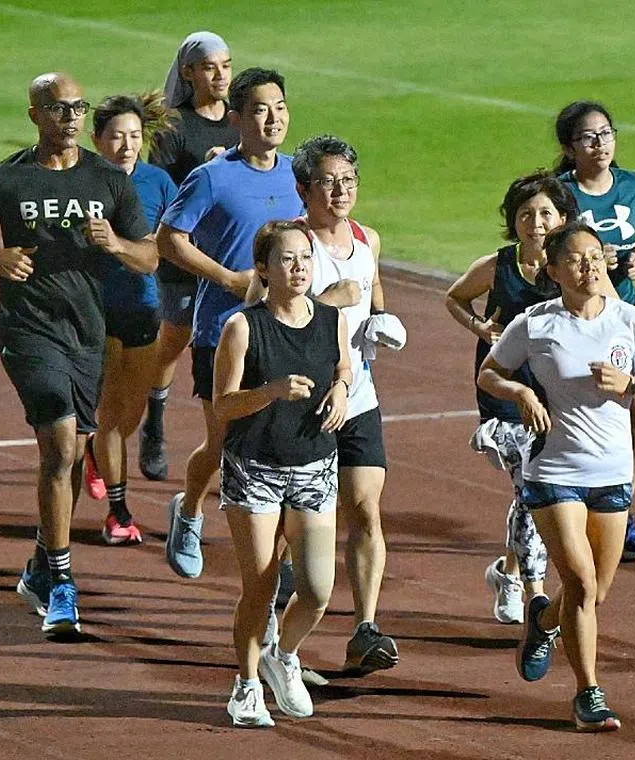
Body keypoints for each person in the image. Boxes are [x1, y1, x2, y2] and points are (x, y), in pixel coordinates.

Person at [0, 73, 157, 634]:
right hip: (26, 328)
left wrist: (115, 244)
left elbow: (150, 257)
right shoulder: (5, 178)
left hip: (87, 333)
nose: (71, 117)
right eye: (58, 108)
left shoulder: (108, 179)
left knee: (71, 450)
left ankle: (40, 562)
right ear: (34, 113)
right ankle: (62, 581)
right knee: (61, 443)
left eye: (78, 107)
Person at [478, 219, 635, 732]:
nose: (589, 266)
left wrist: (630, 383)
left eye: (595, 256)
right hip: (554, 471)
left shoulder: (630, 321)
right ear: (554, 269)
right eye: (577, 259)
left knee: (595, 593)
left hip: (611, 472)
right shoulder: (536, 325)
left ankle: (542, 620)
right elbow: (489, 373)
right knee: (581, 583)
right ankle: (589, 694)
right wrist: (521, 393)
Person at [157, 67, 304, 579]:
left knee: (285, 451)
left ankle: (276, 559)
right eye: (261, 109)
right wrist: (227, 279)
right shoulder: (213, 177)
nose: (273, 118)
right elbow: (169, 239)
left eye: (280, 107)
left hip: (287, 329)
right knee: (224, 444)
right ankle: (190, 508)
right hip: (223, 330)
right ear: (237, 118)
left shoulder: (298, 174)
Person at [216, 220, 350, 727]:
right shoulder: (244, 327)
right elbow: (223, 406)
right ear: (265, 269)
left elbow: (343, 367)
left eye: (306, 258)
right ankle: (246, 685)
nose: (299, 268)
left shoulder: (330, 318)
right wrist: (271, 391)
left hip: (315, 464)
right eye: (288, 259)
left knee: (317, 589)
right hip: (256, 468)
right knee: (262, 586)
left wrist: (340, 388)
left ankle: (283, 655)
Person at [445, 170, 580, 624]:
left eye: (546, 213)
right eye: (526, 214)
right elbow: (455, 298)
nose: (536, 222)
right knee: (529, 486)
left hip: (552, 393)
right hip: (502, 390)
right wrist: (480, 327)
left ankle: (510, 572)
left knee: (529, 489)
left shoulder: (571, 269)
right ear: (513, 220)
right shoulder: (497, 266)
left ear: (563, 218)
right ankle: (535, 589)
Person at [291, 135, 403, 674]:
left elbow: (373, 289)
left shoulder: (367, 239)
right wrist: (323, 303)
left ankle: (366, 626)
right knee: (306, 519)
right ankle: (278, 631)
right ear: (303, 189)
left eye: (349, 181)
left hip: (358, 396)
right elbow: (268, 316)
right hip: (304, 401)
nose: (340, 191)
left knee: (364, 506)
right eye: (329, 182)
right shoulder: (291, 245)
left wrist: (383, 320)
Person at [554, 100, 635, 562]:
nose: (600, 145)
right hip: (581, 318)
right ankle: (564, 505)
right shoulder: (562, 194)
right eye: (589, 138)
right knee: (587, 416)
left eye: (606, 134)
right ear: (570, 147)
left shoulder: (633, 184)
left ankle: (623, 507)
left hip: (624, 316)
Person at [140, 31, 240, 481]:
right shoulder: (175, 127)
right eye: (209, 67)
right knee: (176, 340)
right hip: (187, 256)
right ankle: (155, 422)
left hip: (233, 252)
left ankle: (236, 450)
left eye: (226, 66)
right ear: (188, 73)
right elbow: (160, 189)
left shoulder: (241, 120)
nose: (220, 76)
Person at [83, 92, 178, 545]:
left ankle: (96, 452)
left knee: (130, 416)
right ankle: (119, 513)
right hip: (94, 309)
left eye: (135, 137)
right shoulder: (80, 181)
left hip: (142, 305)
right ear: (97, 140)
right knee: (108, 413)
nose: (126, 146)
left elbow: (171, 241)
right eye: (117, 137)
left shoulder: (158, 182)